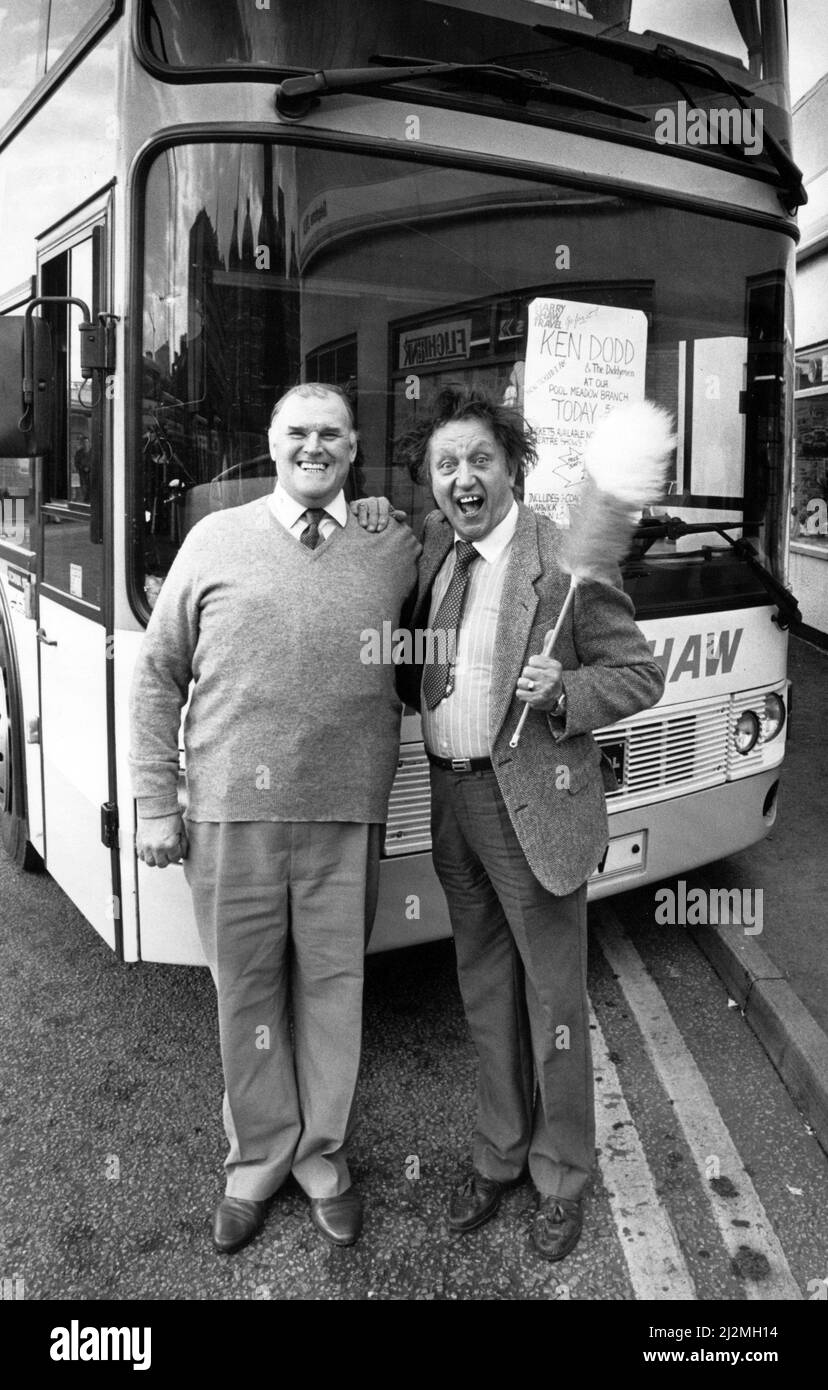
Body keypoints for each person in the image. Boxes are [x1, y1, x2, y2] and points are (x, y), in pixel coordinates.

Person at [129, 383, 419, 1254]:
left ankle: (320, 1159)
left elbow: (470, 560)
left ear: (353, 445)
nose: (314, 447)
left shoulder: (391, 542)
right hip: (229, 816)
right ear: (272, 441)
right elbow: (156, 676)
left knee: (335, 995)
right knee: (247, 996)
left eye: (331, 434)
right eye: (298, 432)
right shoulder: (215, 539)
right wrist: (153, 801)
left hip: (344, 815)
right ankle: (255, 1162)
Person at [396, 387, 665, 1262]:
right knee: (481, 987)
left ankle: (561, 1176)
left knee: (553, 1002)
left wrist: (566, 692)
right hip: (452, 800)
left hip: (532, 808)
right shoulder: (441, 550)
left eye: (479, 459)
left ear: (514, 465)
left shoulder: (565, 563)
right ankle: (499, 1154)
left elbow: (637, 676)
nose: (462, 478)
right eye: (445, 465)